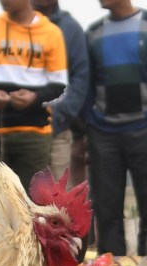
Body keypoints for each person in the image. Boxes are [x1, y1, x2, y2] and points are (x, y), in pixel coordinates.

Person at [84, 0, 147, 256]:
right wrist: (90, 123)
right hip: (103, 134)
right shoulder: (93, 33)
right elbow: (87, 84)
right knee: (107, 207)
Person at [0, 0, 67, 191]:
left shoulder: (51, 32)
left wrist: (34, 98)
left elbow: (60, 87)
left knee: (32, 204)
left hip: (33, 135)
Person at [32, 0, 90, 185]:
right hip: (19, 129)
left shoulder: (71, 28)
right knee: (21, 198)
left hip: (58, 129)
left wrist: (59, 113)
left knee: (60, 199)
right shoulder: (12, 25)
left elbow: (81, 78)